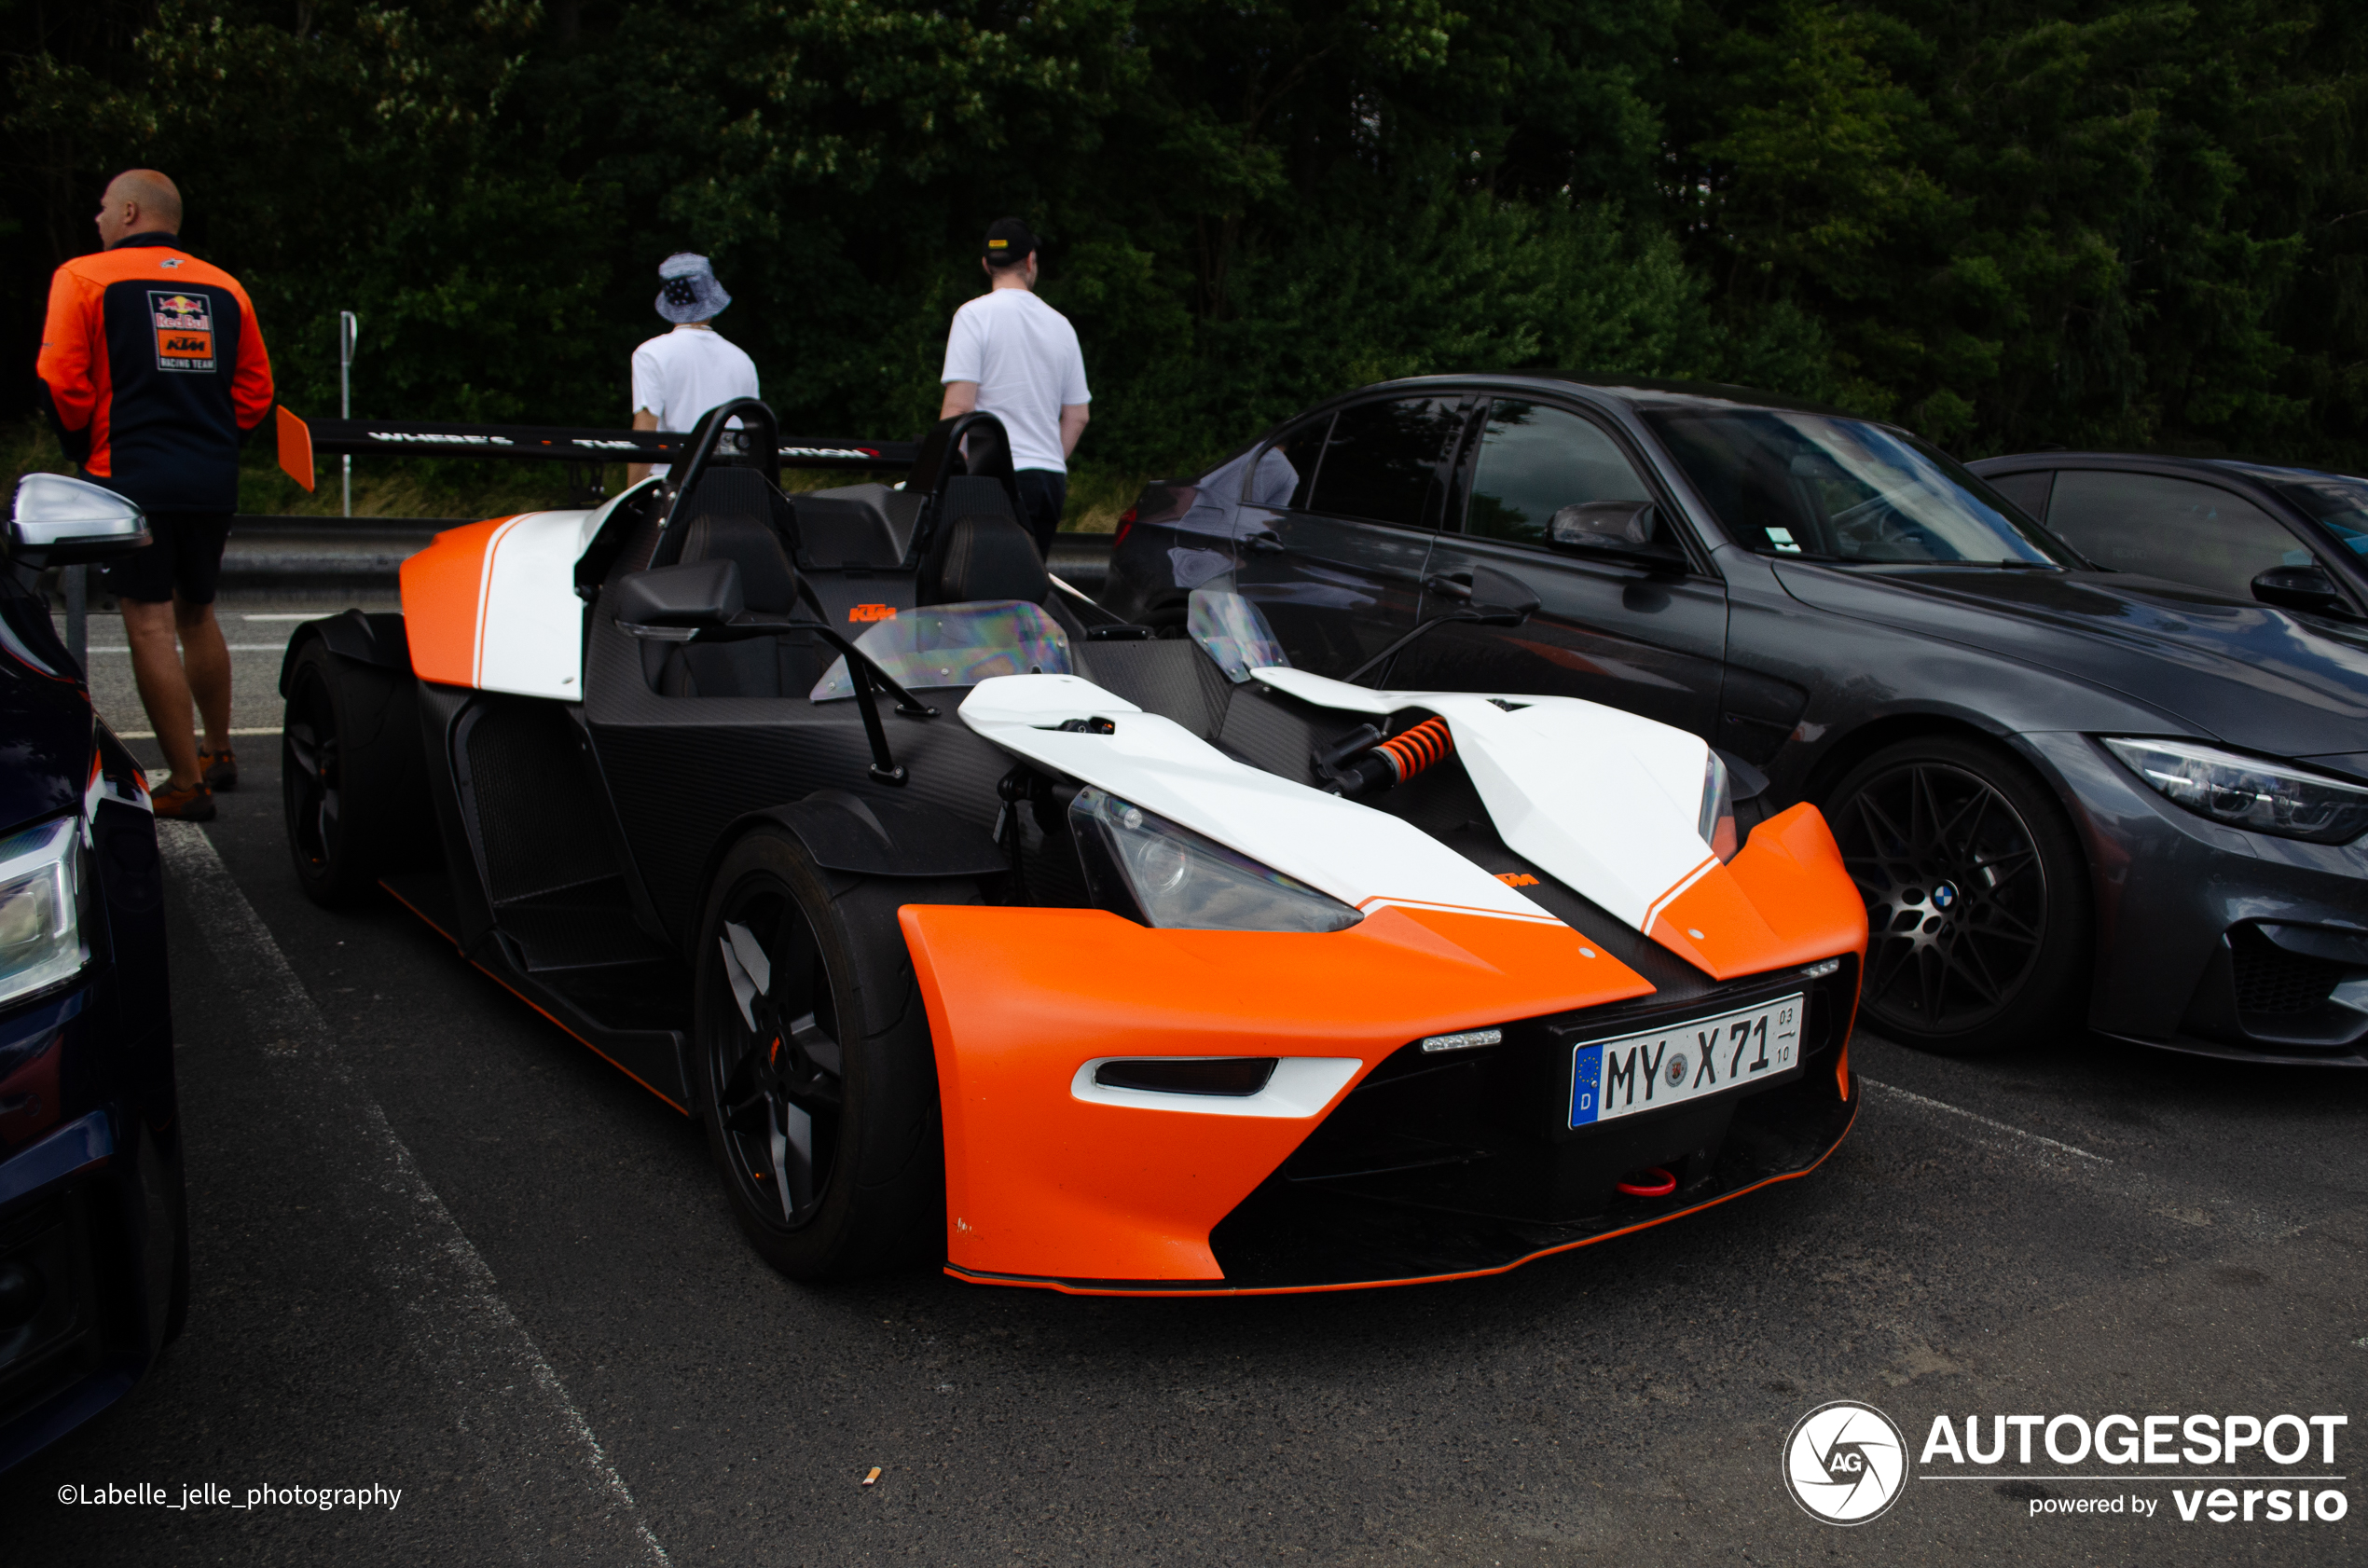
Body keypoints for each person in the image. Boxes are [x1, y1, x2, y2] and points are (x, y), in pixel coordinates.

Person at [36, 169, 273, 821]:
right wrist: (214, 441)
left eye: (104, 208)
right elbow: (256, 392)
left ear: (131, 212)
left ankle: (186, 784)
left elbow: (61, 379)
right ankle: (219, 752)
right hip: (210, 476)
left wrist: (82, 446)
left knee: (148, 620)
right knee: (198, 611)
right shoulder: (226, 287)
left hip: (132, 474)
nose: (97, 219)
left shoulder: (82, 277)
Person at [939, 218, 1091, 556]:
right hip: (1049, 478)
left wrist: (951, 471)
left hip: (995, 480)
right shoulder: (1061, 325)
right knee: (1029, 591)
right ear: (1030, 261)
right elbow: (1077, 416)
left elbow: (959, 408)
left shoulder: (973, 316)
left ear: (985, 264)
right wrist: (1048, 457)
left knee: (985, 591)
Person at [626, 254, 759, 487]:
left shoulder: (650, 354)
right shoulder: (743, 361)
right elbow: (755, 437)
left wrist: (630, 499)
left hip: (674, 489)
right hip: (734, 487)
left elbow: (646, 434)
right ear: (711, 302)